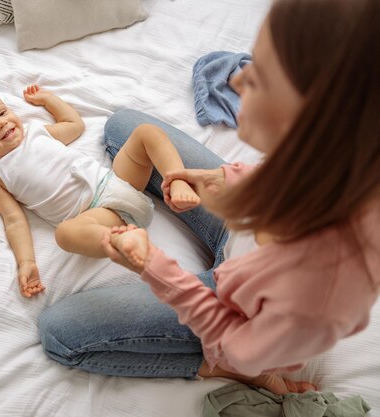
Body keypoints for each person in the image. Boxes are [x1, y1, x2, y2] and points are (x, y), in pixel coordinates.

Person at [38, 0, 380, 395]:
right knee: (123, 126)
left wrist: (155, 266)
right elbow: (272, 177)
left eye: (260, 77)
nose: (236, 82)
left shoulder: (317, 290)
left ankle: (217, 371)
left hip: (234, 312)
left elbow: (240, 347)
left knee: (60, 335)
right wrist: (219, 177)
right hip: (240, 235)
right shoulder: (333, 157)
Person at [0, 84, 200, 298]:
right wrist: (26, 262)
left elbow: (74, 125)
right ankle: (120, 243)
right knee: (66, 234)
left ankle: (176, 180)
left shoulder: (37, 132)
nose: (1, 123)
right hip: (100, 214)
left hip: (118, 183)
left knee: (146, 132)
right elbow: (14, 222)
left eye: (2, 112)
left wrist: (48, 99)